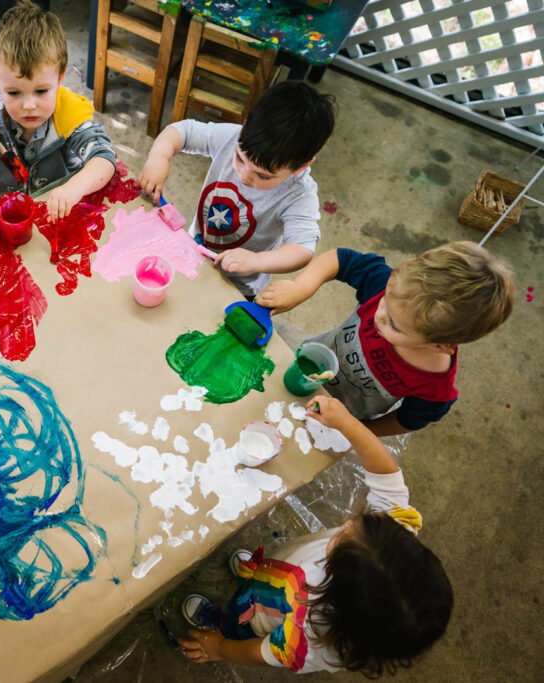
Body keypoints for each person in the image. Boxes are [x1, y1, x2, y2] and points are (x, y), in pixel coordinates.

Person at [179, 395, 453, 675]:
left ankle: (224, 625)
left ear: (334, 590)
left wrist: (220, 647)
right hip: (277, 576)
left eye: (344, 536)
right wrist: (347, 423)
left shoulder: (312, 637)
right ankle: (255, 577)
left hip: (261, 616)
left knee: (242, 622)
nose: (347, 524)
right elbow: (388, 476)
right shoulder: (394, 534)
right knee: (257, 582)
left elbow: (259, 652)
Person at [256, 242, 514, 435]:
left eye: (394, 324)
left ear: (440, 345)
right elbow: (341, 259)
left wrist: (354, 429)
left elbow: (408, 421)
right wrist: (301, 288)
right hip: (301, 366)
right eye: (384, 301)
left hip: (337, 415)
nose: (379, 315)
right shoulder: (392, 289)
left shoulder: (434, 388)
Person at [138, 80, 336, 298]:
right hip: (193, 253)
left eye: (263, 175)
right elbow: (182, 131)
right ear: (245, 125)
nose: (245, 176)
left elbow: (302, 249)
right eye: (239, 159)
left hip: (238, 286)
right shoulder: (234, 137)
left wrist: (257, 261)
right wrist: (159, 156)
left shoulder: (299, 195)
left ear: (301, 166)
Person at [0, 0, 116, 220]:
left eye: (41, 91)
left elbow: (104, 158)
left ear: (60, 77)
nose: (29, 105)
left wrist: (74, 189)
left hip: (58, 206)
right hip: (1, 206)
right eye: (14, 93)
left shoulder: (69, 111)